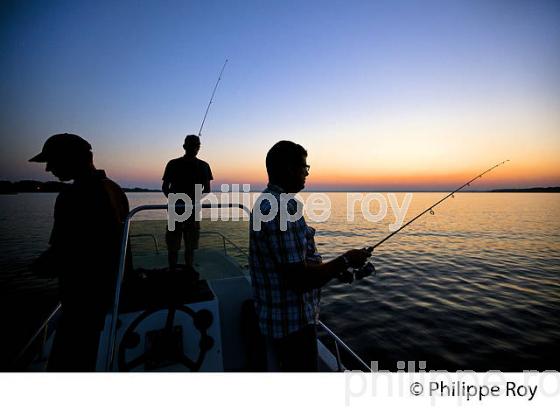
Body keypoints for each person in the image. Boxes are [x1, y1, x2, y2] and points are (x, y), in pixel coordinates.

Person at [249, 140, 373, 371]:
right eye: (304, 167)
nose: (307, 173)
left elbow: (296, 263)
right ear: (289, 169)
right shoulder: (281, 209)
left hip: (276, 321)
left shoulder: (266, 202)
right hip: (292, 326)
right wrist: (346, 259)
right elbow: (299, 279)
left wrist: (335, 272)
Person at [30, 133, 129, 371]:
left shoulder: (72, 197)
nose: (47, 169)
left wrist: (38, 267)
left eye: (52, 161)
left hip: (84, 305)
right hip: (113, 293)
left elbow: (61, 255)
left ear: (76, 159)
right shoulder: (114, 188)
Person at [162, 134, 213, 269]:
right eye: (195, 146)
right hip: (189, 210)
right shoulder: (203, 166)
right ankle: (187, 270)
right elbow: (207, 189)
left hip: (178, 210)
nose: (195, 148)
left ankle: (175, 270)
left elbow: (164, 187)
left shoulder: (173, 164)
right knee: (187, 246)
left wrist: (175, 201)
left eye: (196, 146)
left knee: (177, 246)